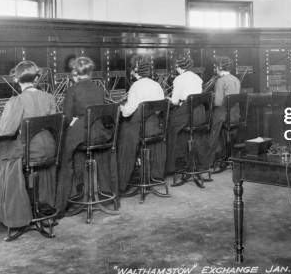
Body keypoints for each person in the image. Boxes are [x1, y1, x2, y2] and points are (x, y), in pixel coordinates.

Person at [0, 61, 57, 229]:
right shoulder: (49, 97)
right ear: (37, 78)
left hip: (31, 152)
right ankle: (38, 207)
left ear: (16, 79)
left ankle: (9, 209)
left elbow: (5, 130)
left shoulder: (17, 100)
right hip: (50, 150)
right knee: (0, 150)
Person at [55, 57, 114, 214]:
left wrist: (74, 119)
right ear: (90, 71)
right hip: (101, 134)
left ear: (75, 72)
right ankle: (95, 190)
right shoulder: (99, 88)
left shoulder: (73, 90)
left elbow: (66, 118)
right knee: (77, 153)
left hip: (83, 134)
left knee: (64, 154)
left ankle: (64, 202)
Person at [117, 61, 165, 192]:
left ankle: (122, 181)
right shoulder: (156, 85)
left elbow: (127, 112)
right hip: (155, 127)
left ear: (136, 71)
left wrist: (121, 107)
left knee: (122, 136)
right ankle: (151, 174)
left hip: (139, 129)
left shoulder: (136, 86)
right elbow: (159, 109)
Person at [165, 56, 204, 173]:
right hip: (199, 114)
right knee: (181, 129)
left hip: (188, 112)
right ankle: (188, 161)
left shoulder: (178, 79)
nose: (175, 70)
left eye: (176, 67)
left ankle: (170, 167)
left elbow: (175, 101)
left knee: (169, 126)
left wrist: (167, 98)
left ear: (179, 67)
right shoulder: (197, 78)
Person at [204, 56, 241, 168]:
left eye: (215, 66)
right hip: (235, 115)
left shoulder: (220, 81)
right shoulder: (236, 79)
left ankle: (208, 162)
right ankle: (225, 156)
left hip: (223, 114)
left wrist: (210, 97)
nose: (214, 68)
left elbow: (218, 102)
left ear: (220, 67)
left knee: (210, 130)